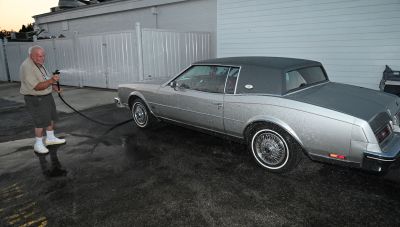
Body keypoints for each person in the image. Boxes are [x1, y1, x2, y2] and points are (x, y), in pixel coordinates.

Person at [20, 45, 66, 154]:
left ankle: (50, 138)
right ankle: (38, 144)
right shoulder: (27, 66)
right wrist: (51, 81)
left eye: (43, 56)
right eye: (39, 56)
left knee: (50, 118)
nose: (42, 58)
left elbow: (44, 80)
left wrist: (53, 87)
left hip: (46, 96)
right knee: (40, 122)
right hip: (35, 99)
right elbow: (37, 86)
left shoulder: (39, 64)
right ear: (31, 56)